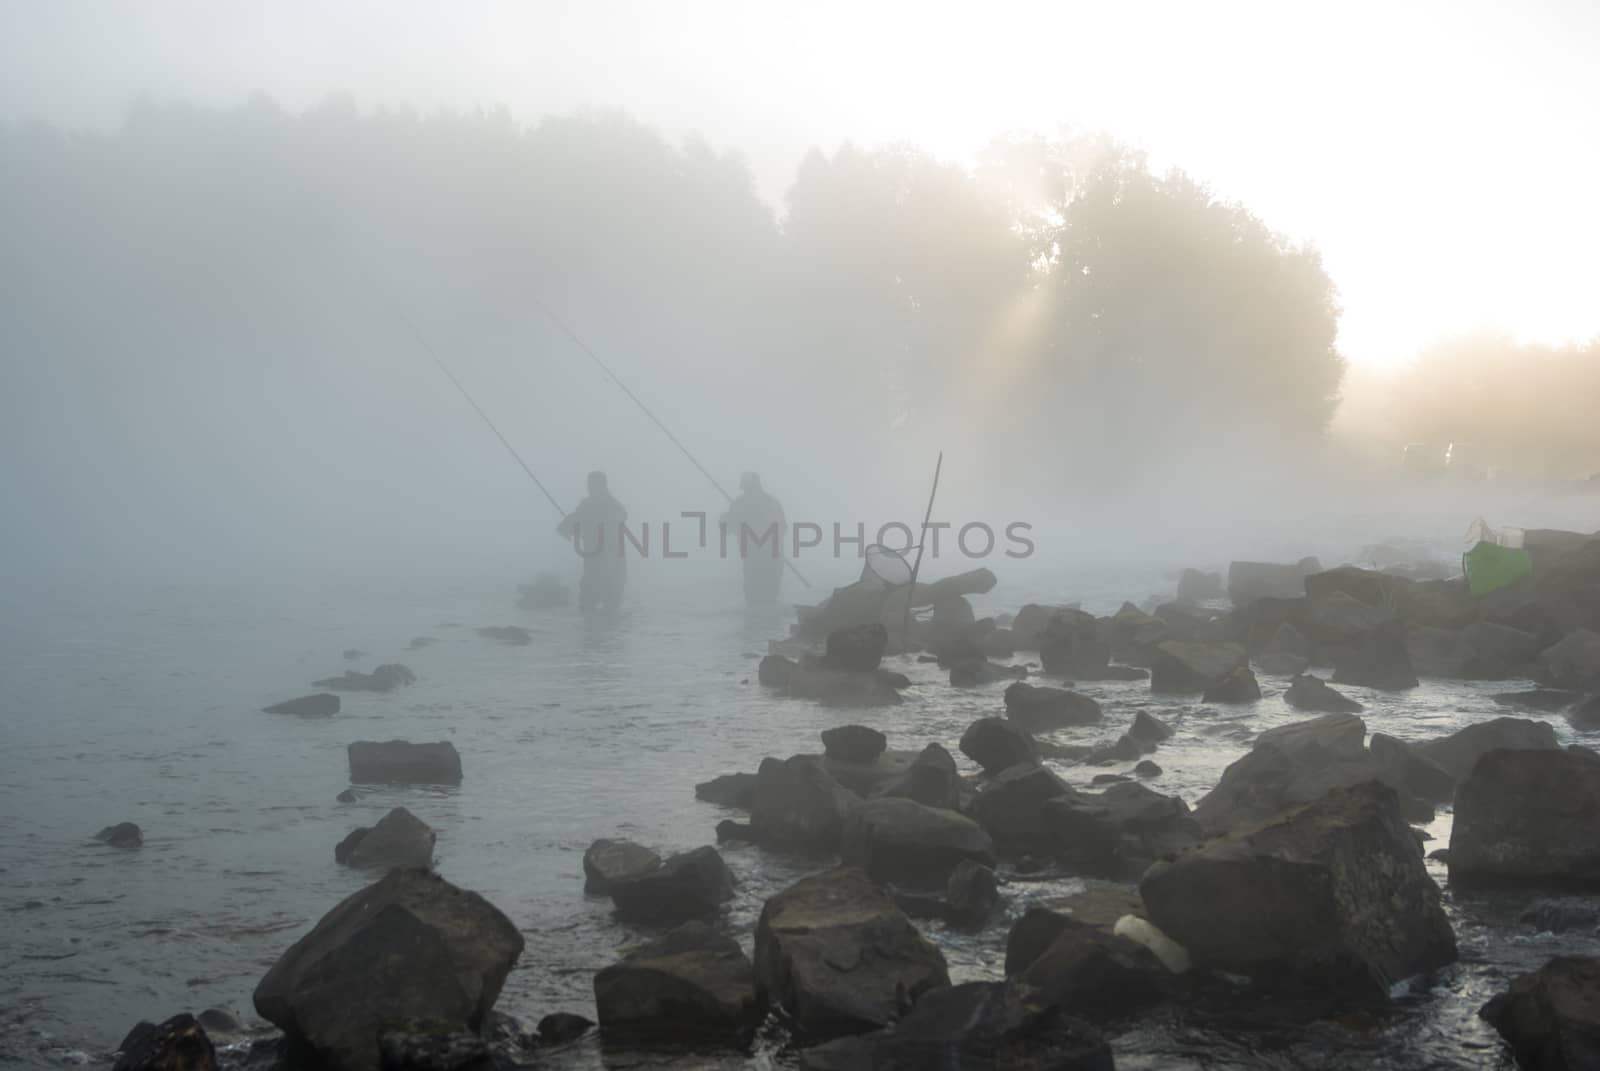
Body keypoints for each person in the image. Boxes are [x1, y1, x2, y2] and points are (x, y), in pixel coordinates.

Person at [557, 471, 628, 614]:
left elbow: (622, 516)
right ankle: (594, 632)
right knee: (589, 602)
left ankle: (601, 631)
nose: (590, 487)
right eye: (589, 484)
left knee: (608, 602)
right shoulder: (588, 505)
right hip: (595, 561)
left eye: (593, 484)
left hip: (611, 562)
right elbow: (574, 520)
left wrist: (572, 526)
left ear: (602, 485)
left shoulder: (610, 505)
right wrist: (569, 527)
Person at [720, 472, 786, 605]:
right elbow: (783, 527)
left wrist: (725, 520)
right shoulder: (772, 502)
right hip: (771, 557)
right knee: (769, 598)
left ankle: (755, 624)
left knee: (754, 599)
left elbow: (727, 529)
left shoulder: (739, 504)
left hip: (755, 558)